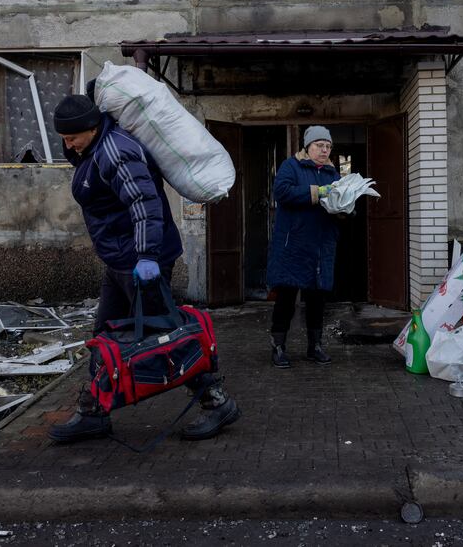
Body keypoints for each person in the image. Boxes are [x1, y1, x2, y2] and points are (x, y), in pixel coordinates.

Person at [47, 90, 240, 443]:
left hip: (140, 262)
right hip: (120, 260)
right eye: (62, 137)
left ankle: (217, 401)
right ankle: (94, 411)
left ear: (91, 127)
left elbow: (145, 202)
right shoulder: (93, 147)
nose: (67, 144)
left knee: (168, 336)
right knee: (105, 334)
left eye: (71, 136)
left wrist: (148, 256)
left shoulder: (117, 151)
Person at [265, 125, 341, 368]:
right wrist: (318, 192)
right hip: (294, 245)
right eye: (320, 145)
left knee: (317, 298)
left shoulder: (332, 172)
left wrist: (346, 207)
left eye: (328, 146)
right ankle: (278, 346)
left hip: (321, 245)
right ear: (307, 147)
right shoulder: (291, 166)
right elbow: (282, 192)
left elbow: (341, 198)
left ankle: (315, 346)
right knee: (286, 296)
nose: (324, 150)